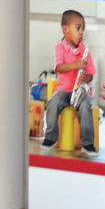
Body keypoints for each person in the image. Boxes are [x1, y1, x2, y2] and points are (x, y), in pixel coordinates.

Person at [41, 10, 97, 156]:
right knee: (53, 103)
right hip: (64, 89)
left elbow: (91, 75)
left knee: (85, 107)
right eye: (78, 28)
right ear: (65, 30)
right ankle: (50, 137)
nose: (81, 33)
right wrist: (77, 65)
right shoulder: (59, 49)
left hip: (80, 91)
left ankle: (88, 143)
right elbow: (59, 67)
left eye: (83, 29)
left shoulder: (85, 52)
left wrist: (86, 78)